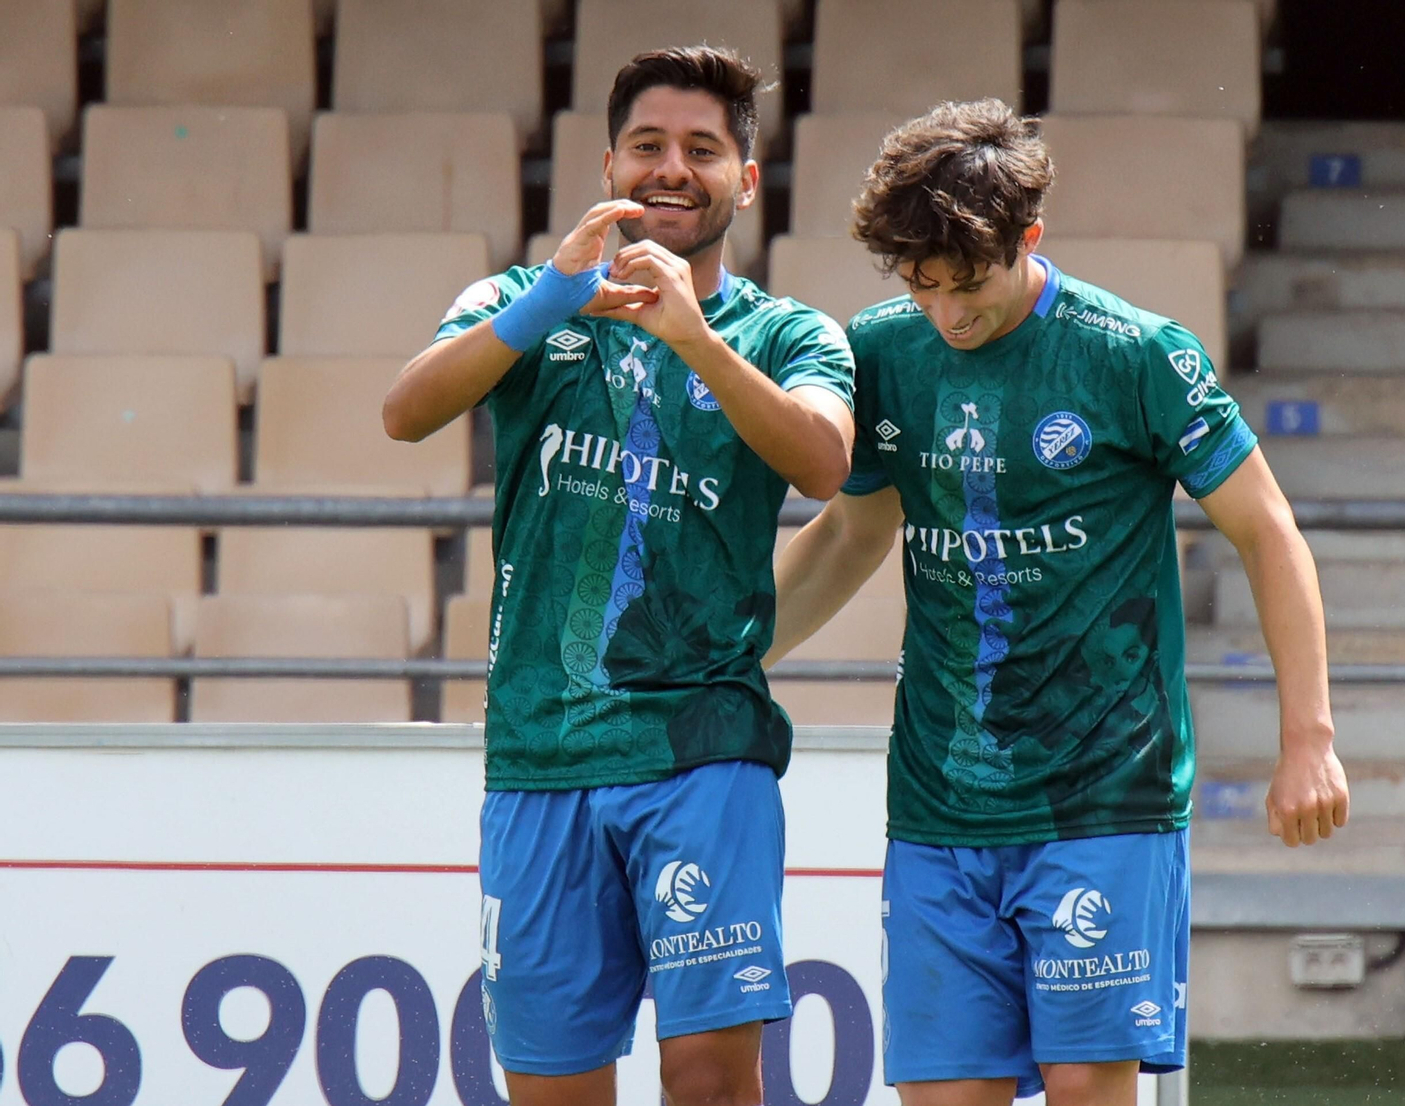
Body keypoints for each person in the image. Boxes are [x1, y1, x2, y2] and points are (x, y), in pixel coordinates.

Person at [768, 99, 1350, 1106]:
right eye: (923, 286)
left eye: (969, 285)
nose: (948, 313)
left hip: (1103, 792)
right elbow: (854, 531)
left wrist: (1308, 737)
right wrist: (724, 657)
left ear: (1027, 238)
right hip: (939, 802)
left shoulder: (1134, 353)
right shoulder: (884, 353)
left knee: (1086, 1085)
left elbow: (1267, 530)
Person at [383, 46, 856, 1106]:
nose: (671, 170)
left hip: (703, 751)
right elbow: (405, 411)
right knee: (551, 1088)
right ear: (607, 164)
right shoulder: (520, 300)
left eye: (703, 149)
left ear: (745, 178)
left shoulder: (787, 332)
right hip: (539, 755)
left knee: (707, 1078)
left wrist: (695, 338)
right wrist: (547, 299)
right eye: (648, 146)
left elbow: (824, 462)